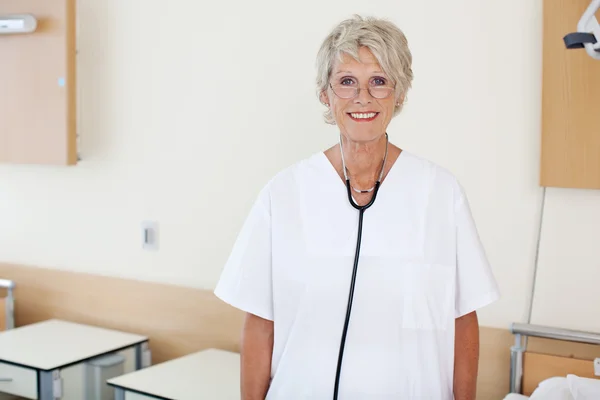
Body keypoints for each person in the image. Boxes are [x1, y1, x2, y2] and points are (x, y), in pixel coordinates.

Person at [214, 14, 500, 400]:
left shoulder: (441, 193)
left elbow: (463, 319)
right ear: (324, 94)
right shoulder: (281, 194)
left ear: (399, 94)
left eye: (378, 82)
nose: (362, 97)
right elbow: (260, 323)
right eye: (346, 82)